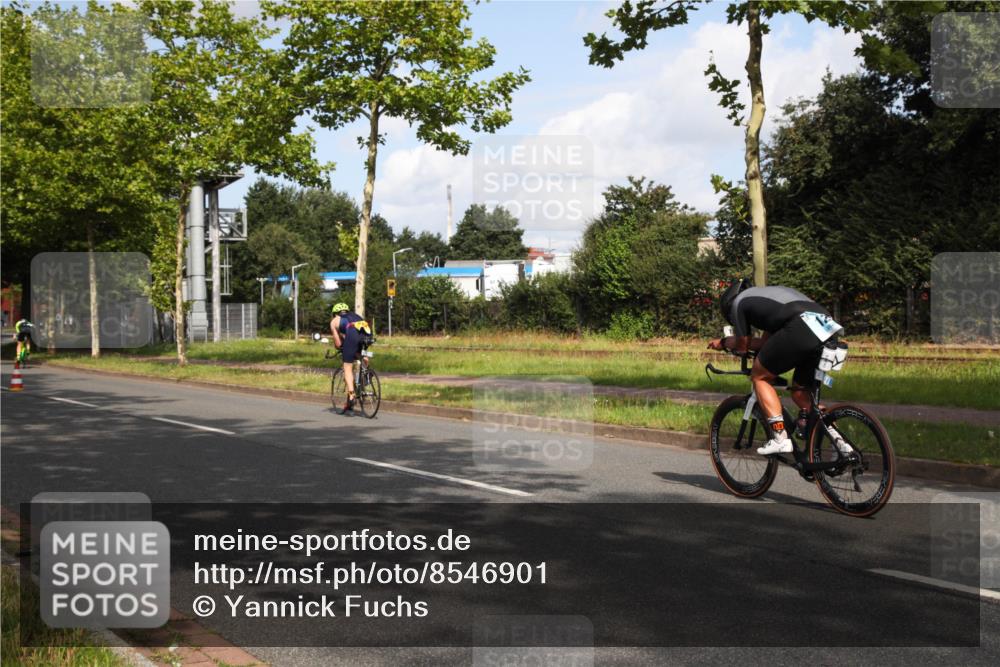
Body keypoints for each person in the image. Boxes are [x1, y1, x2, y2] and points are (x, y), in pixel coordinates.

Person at [709, 280, 847, 456]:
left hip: (801, 325)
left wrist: (723, 342)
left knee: (759, 377)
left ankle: (780, 438)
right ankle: (841, 445)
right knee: (801, 395)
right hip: (827, 326)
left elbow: (743, 346)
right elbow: (766, 344)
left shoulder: (738, 303)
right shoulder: (769, 300)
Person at [329, 302, 372, 413]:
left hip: (352, 333)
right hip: (367, 332)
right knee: (361, 355)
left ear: (335, 314)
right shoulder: (355, 316)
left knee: (347, 366)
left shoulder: (334, 321)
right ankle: (366, 376)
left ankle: (352, 396)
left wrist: (343, 347)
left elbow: (338, 344)